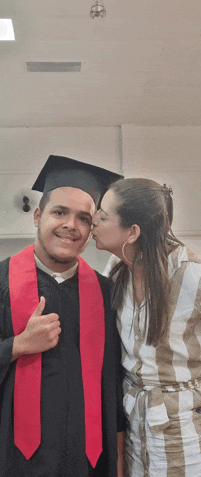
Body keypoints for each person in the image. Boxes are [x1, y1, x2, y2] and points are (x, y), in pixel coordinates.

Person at [0, 155, 126, 477]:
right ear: (37, 215)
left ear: (92, 229)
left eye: (84, 218)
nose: (71, 225)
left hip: (87, 458)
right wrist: (15, 346)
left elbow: (116, 380)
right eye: (59, 212)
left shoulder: (108, 293)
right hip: (10, 456)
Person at [92, 177, 201, 477]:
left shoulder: (192, 276)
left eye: (103, 215)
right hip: (133, 424)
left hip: (183, 431)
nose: (93, 222)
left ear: (132, 232)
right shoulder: (115, 271)